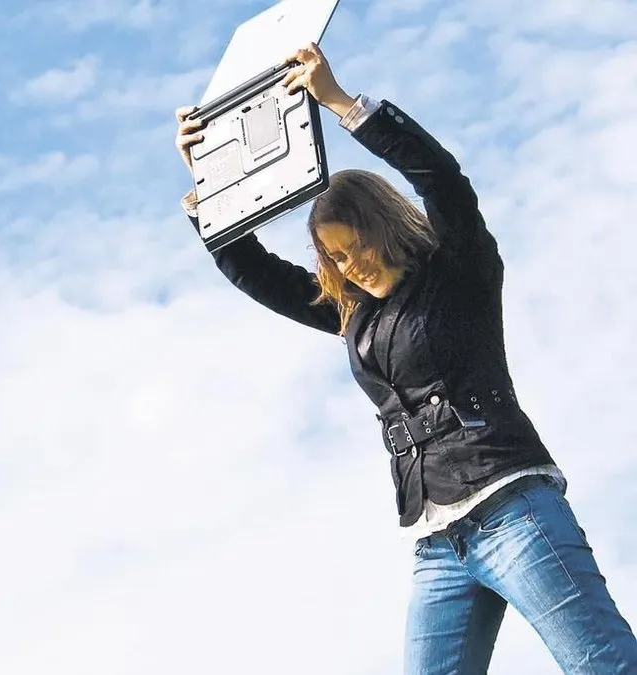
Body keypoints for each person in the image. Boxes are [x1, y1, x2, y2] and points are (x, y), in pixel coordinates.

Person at [174, 42, 637, 673]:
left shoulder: (459, 269)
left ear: (382, 224)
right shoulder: (354, 314)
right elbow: (261, 275)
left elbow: (441, 179)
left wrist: (341, 103)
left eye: (355, 246)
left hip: (513, 509)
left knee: (604, 665)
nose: (350, 266)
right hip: (436, 542)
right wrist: (211, 187)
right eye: (336, 258)